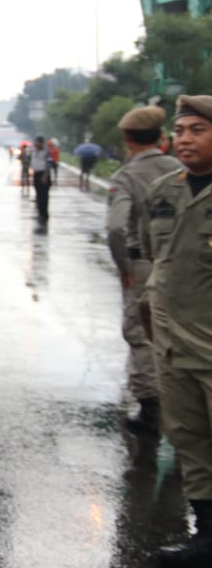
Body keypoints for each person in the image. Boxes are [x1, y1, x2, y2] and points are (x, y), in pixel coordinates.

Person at [140, 95, 212, 568]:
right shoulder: (165, 190)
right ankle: (205, 536)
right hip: (172, 342)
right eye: (180, 131)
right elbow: (154, 254)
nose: (184, 139)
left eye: (197, 131)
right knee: (189, 437)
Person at [107, 107, 182, 435]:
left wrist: (124, 266)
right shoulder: (181, 169)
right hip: (181, 263)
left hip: (141, 264)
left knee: (140, 332)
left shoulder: (126, 176)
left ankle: (150, 406)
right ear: (163, 138)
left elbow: (116, 229)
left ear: (127, 139)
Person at [30, 136, 52, 227]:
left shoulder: (46, 152)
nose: (35, 144)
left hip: (44, 175)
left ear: (41, 143)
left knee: (44, 196)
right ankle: (40, 213)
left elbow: (48, 164)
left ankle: (44, 214)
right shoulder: (34, 151)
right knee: (38, 195)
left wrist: (45, 175)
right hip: (36, 174)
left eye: (37, 142)